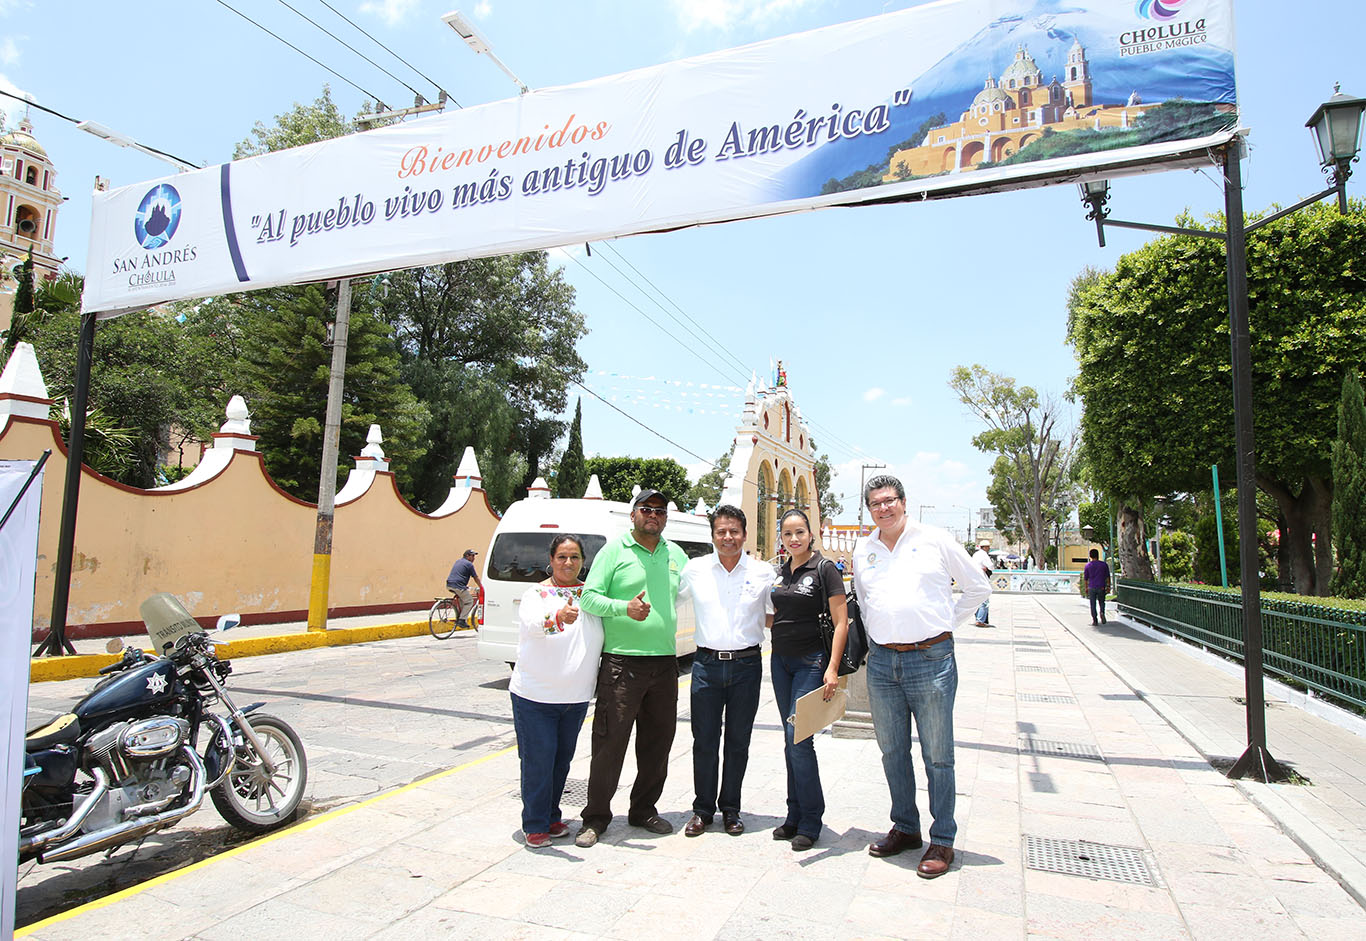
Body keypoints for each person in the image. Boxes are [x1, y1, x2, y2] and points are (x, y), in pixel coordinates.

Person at [854, 475, 990, 879]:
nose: (884, 508)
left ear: (904, 501)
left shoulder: (935, 539)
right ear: (869, 509)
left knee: (938, 755)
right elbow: (863, 601)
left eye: (890, 500)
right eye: (876, 503)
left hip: (931, 660)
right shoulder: (865, 548)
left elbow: (977, 588)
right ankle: (906, 828)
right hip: (881, 664)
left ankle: (942, 839)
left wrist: (944, 625)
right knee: (892, 752)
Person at [575, 489, 688, 848]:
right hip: (622, 664)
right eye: (646, 509)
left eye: (660, 510)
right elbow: (589, 597)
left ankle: (643, 810)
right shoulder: (614, 551)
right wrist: (625, 608)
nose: (653, 515)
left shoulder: (675, 554)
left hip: (664, 665)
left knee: (657, 744)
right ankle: (595, 818)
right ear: (633, 514)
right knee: (610, 744)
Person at [677, 505, 774, 838]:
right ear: (713, 535)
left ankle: (731, 809)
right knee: (704, 740)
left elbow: (775, 614)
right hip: (705, 665)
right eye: (721, 531)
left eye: (734, 531)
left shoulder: (763, 573)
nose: (728, 537)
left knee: (738, 741)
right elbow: (668, 598)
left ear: (745, 535)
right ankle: (702, 810)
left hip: (747, 665)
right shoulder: (695, 569)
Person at [509, 535, 603, 849]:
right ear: (551, 560)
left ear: (583, 561)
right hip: (535, 696)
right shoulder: (536, 593)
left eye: (574, 557)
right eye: (562, 557)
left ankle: (550, 815)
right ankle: (534, 824)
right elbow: (533, 625)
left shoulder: (590, 594)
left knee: (561, 761)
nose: (568, 563)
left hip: (574, 698)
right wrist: (558, 618)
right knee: (538, 760)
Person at [768, 507, 848, 851]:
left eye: (799, 532)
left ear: (811, 534)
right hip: (779, 662)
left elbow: (841, 622)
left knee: (799, 737)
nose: (794, 539)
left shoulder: (825, 569)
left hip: (811, 662)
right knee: (790, 740)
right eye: (787, 534)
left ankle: (812, 819)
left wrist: (831, 668)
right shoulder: (782, 571)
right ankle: (793, 814)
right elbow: (777, 616)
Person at [445, 548, 484, 620]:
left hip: (449, 584)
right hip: (458, 586)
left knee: (463, 598)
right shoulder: (469, 564)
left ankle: (460, 616)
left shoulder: (458, 561)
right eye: (472, 556)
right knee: (469, 601)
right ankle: (462, 620)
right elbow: (475, 578)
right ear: (467, 556)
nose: (473, 558)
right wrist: (481, 587)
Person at [1084, 548, 1112, 625]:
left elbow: (1086, 578)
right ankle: (1102, 612)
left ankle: (1095, 620)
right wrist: (1109, 586)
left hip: (1092, 587)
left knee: (1093, 604)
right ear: (1098, 555)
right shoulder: (1103, 565)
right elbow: (1107, 577)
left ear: (1090, 556)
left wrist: (1086, 588)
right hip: (1101, 586)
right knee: (1102, 602)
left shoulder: (1088, 566)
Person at [971, 541, 994, 627]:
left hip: (974, 579)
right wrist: (986, 568)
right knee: (984, 601)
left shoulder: (975, 555)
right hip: (982, 580)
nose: (989, 549)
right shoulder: (984, 555)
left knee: (977, 599)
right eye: (988, 547)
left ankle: (979, 618)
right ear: (985, 547)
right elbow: (991, 566)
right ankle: (980, 620)